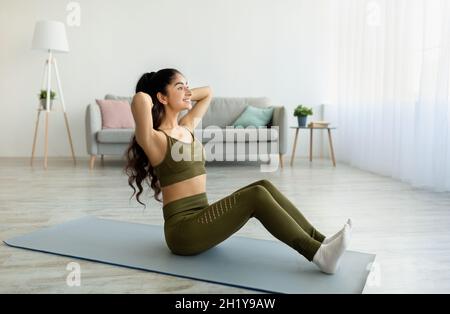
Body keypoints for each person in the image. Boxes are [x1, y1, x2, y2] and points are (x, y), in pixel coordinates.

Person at [124, 68, 352, 274]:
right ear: (162, 97)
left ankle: (321, 242)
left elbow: (208, 93)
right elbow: (140, 100)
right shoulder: (156, 140)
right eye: (180, 87)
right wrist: (152, 88)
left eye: (187, 85)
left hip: (202, 216)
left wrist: (182, 92)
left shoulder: (187, 127)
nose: (187, 91)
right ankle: (319, 256)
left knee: (264, 185)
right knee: (256, 197)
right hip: (182, 232)